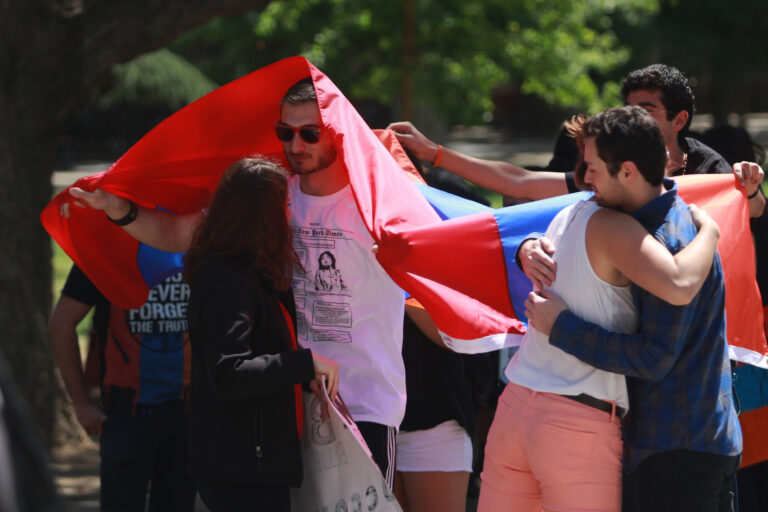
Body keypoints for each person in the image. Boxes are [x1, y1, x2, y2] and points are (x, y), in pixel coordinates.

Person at [66, 77, 406, 487]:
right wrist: (119, 209)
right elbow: (178, 235)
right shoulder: (272, 195)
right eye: (286, 132)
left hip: (364, 404)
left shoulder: (379, 204)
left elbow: (443, 252)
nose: (296, 145)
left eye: (310, 133)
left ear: (338, 131)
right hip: (289, 407)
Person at [476, 106, 722, 512]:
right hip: (576, 422)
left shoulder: (567, 212)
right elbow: (679, 285)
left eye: (590, 166)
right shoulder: (614, 226)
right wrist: (712, 230)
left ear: (626, 170)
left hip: (515, 408)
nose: (583, 177)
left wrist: (525, 247)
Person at [183, 157, 338, 512]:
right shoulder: (228, 279)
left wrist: (302, 376)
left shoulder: (249, 272)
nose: (291, 214)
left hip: (251, 467)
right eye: (284, 205)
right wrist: (304, 364)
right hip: (241, 472)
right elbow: (231, 372)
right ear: (261, 215)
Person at [388, 64, 729, 200]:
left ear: (679, 120)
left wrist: (752, 192)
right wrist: (434, 153)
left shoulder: (710, 169)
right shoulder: (600, 173)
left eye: (646, 111)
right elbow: (519, 181)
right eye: (628, 108)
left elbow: (744, 215)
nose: (632, 118)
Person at [49, 263, 197, 512]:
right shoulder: (103, 248)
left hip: (188, 414)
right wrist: (81, 403)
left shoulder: (199, 245)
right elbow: (61, 323)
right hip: (125, 414)